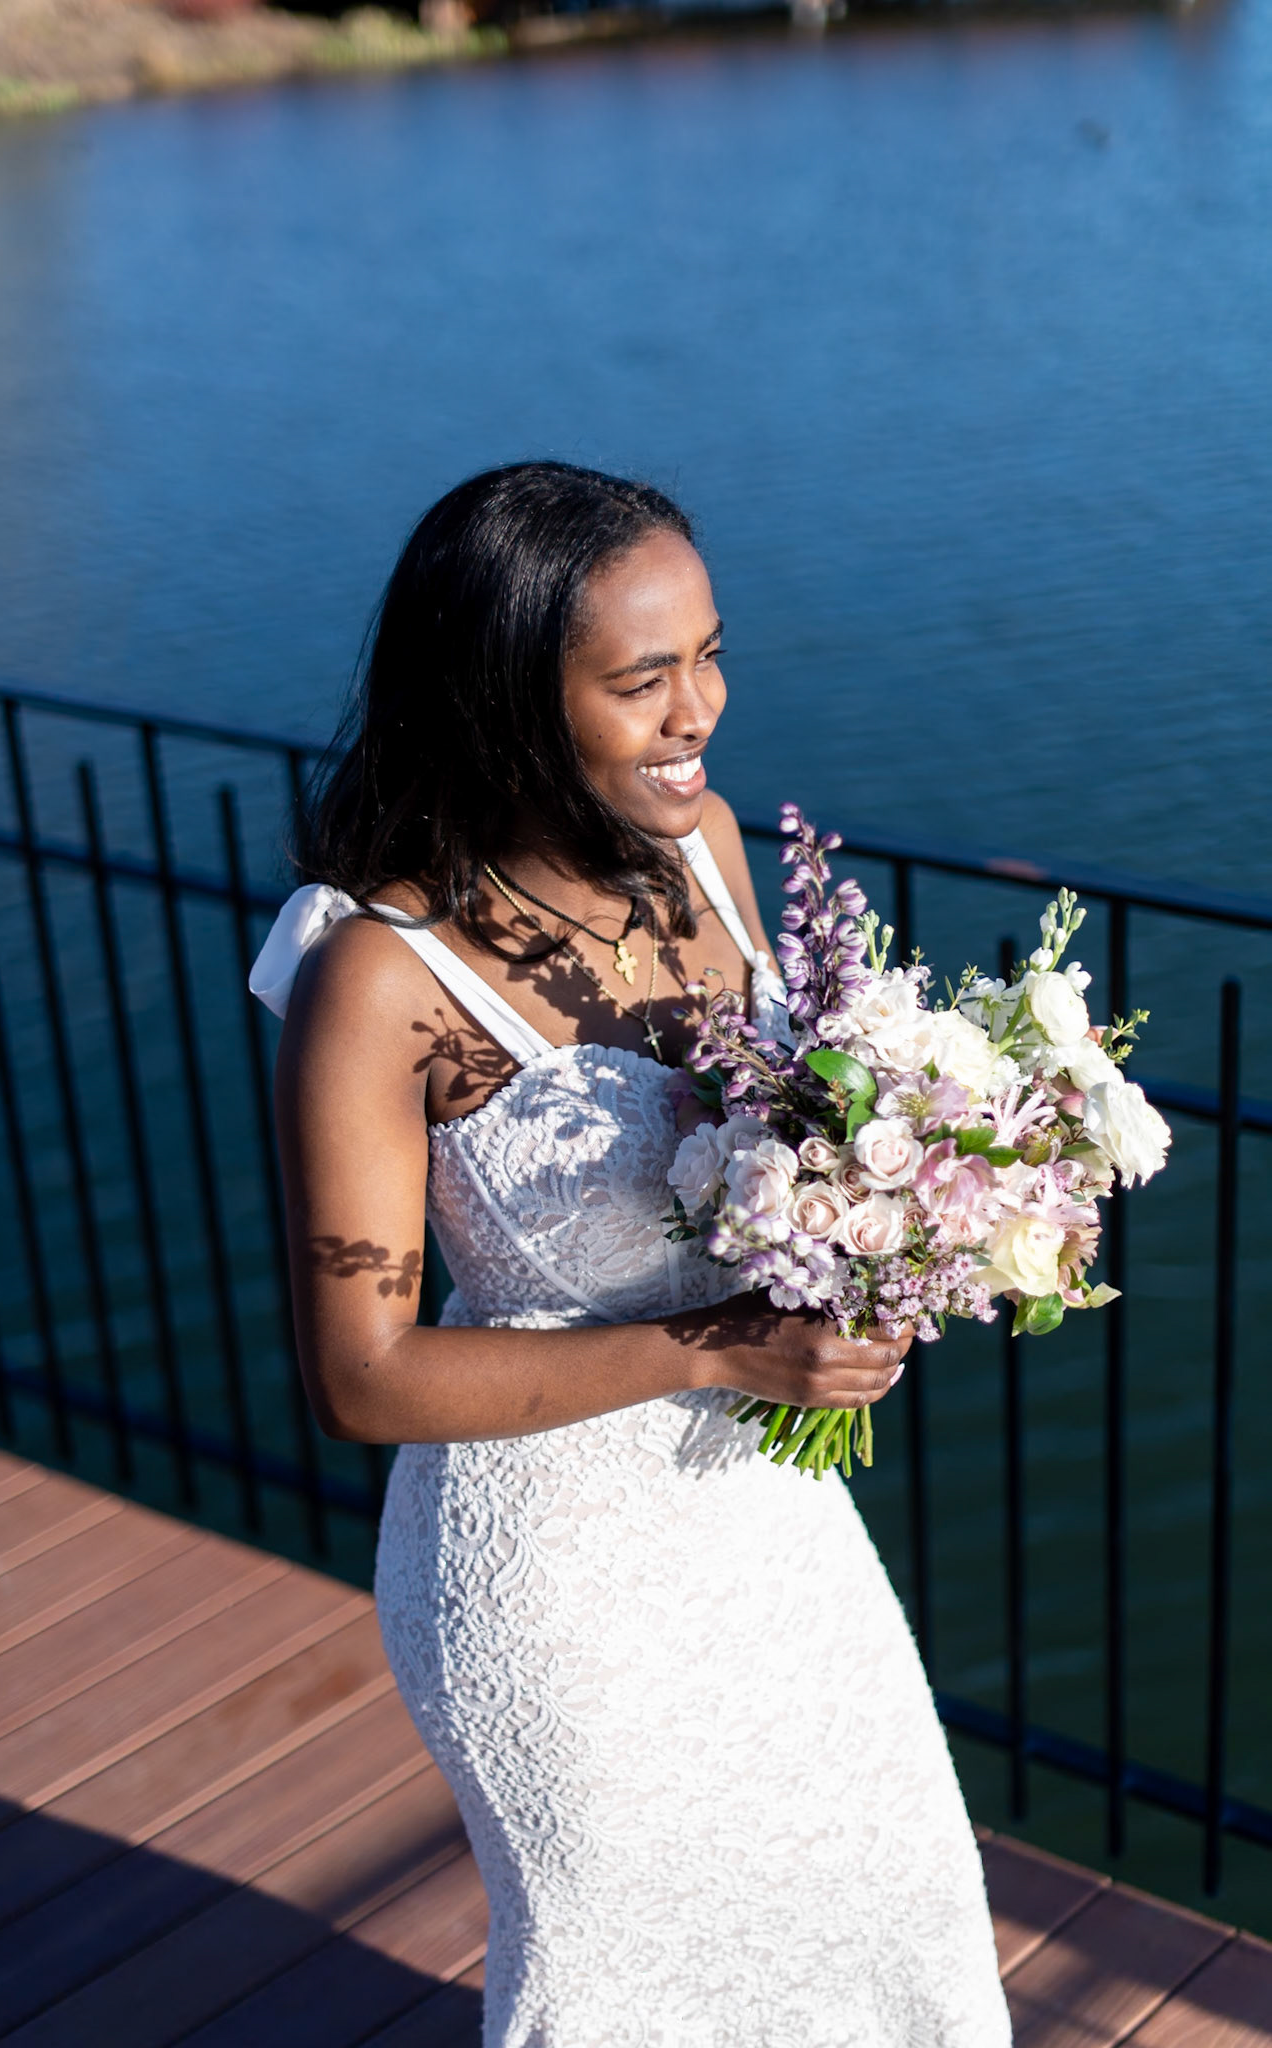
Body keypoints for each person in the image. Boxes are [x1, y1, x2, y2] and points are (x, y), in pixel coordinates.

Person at [251, 462, 1011, 2047]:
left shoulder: (711, 849)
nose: (697, 711)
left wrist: (885, 1235)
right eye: (640, 679)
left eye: (708, 654)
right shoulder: (380, 981)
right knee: (632, 1973)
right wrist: (723, 1345)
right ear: (505, 703)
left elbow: (784, 1147)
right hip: (550, 1574)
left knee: (894, 1903)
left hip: (764, 1512)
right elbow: (363, 1378)